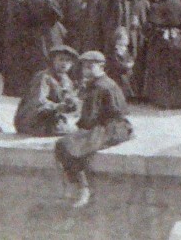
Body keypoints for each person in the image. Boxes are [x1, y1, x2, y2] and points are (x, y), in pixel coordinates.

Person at [54, 50, 133, 208]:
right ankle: (77, 187)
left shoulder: (99, 86)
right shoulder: (105, 82)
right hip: (119, 126)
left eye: (91, 67)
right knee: (75, 143)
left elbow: (89, 119)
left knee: (66, 145)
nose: (87, 70)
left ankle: (82, 187)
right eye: (85, 67)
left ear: (101, 67)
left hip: (110, 128)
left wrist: (77, 128)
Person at [14, 45, 80, 136]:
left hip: (51, 119)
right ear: (53, 61)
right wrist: (58, 107)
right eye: (61, 59)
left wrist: (72, 104)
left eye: (68, 60)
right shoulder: (43, 77)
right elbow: (38, 102)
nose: (64, 63)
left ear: (72, 64)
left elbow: (68, 100)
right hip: (32, 120)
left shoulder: (67, 80)